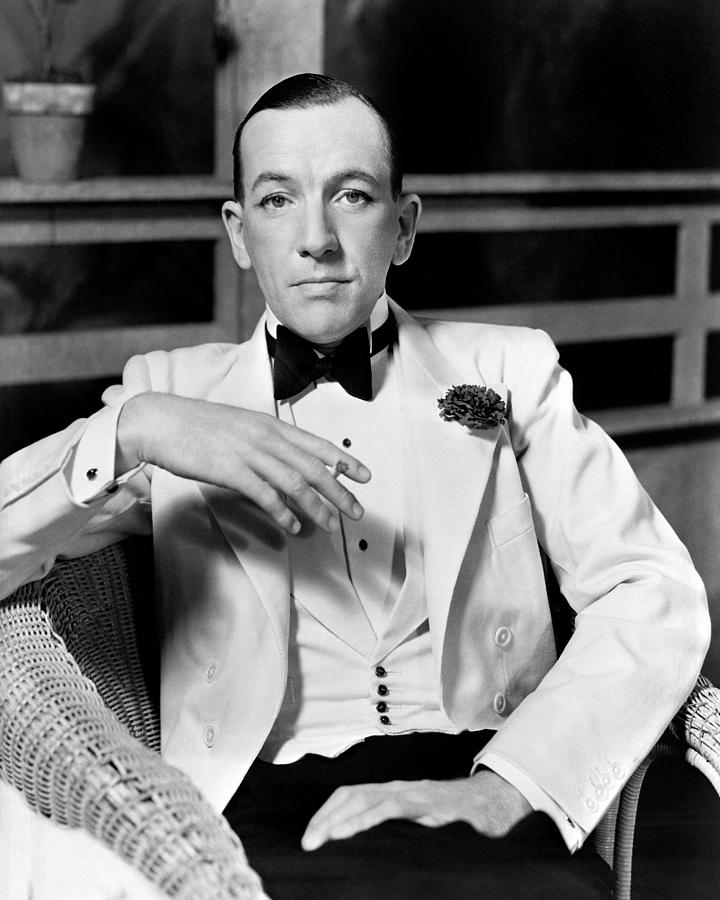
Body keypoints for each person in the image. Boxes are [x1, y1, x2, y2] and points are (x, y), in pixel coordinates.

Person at [0, 73, 710, 898]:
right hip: (259, 803)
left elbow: (653, 587)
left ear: (404, 228)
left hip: (479, 771)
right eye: (276, 200)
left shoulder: (511, 370)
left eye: (353, 197)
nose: (316, 240)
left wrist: (509, 785)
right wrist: (136, 429)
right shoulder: (170, 394)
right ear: (238, 232)